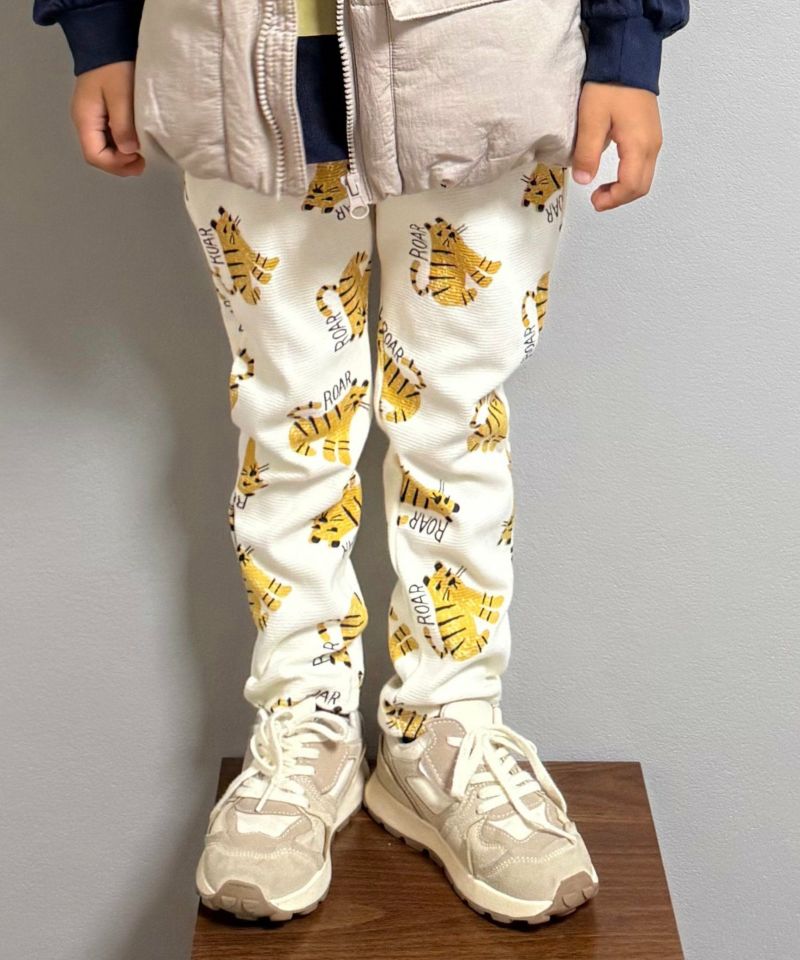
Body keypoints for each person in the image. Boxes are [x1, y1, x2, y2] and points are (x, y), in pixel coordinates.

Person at [33, 0, 688, 928]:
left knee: (456, 425)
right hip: (227, 62)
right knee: (288, 426)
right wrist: (98, 26)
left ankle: (445, 724)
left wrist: (629, 41)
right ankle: (307, 719)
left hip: (486, 58)